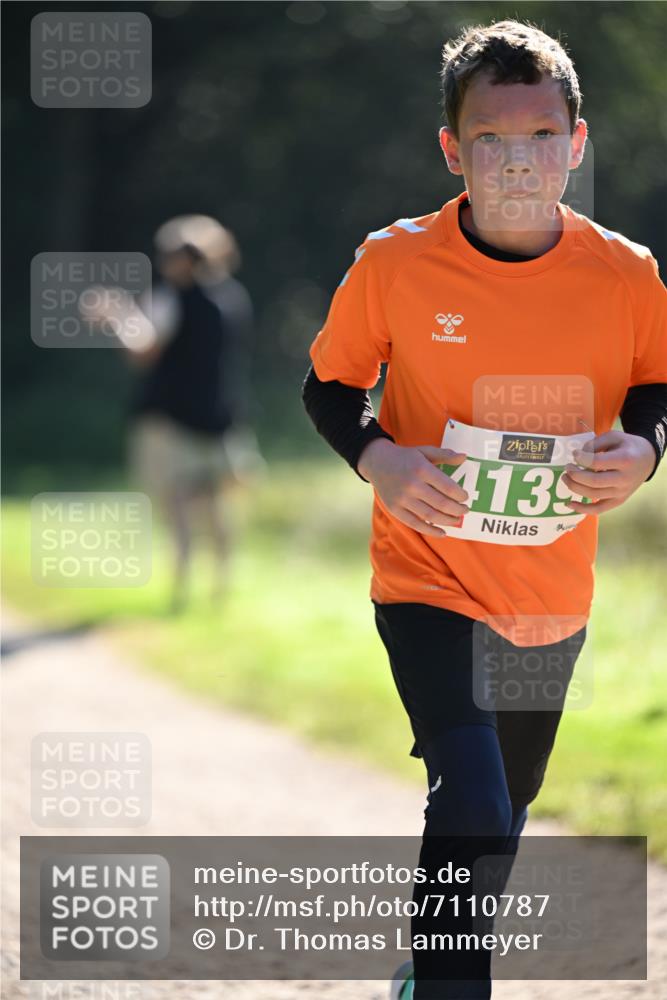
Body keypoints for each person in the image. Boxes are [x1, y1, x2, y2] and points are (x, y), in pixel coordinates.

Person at [302, 19, 667, 1000]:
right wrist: (377, 457)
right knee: (466, 793)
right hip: (425, 575)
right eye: (492, 140)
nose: (518, 161)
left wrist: (644, 447)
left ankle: (429, 967)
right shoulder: (396, 262)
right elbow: (330, 387)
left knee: (500, 811)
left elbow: (653, 386)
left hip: (549, 592)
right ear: (452, 149)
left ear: (576, 144)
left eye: (542, 137)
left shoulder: (625, 272)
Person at [83, 215, 262, 610]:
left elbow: (142, 351)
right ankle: (220, 587)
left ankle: (183, 587)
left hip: (172, 421)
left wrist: (116, 315)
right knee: (217, 504)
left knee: (178, 503)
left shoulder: (170, 297)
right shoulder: (232, 296)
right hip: (221, 417)